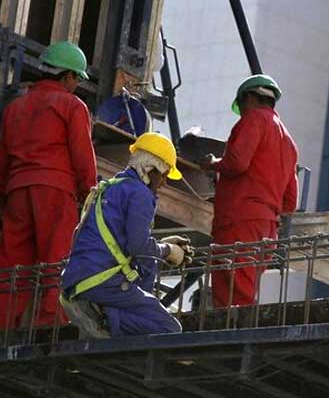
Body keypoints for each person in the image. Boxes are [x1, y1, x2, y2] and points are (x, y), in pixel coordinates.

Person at [0, 41, 97, 328]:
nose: (77, 84)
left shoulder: (15, 107)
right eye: (77, 78)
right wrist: (89, 193)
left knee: (12, 264)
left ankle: (4, 323)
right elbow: (82, 156)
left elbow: (3, 156)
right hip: (54, 191)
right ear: (67, 76)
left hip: (17, 191)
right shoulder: (72, 106)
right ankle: (49, 323)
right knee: (56, 260)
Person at [60, 132, 192, 338]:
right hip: (103, 282)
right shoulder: (140, 194)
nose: (164, 182)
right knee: (170, 330)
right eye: (164, 174)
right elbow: (139, 248)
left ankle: (101, 315)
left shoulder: (109, 188)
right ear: (149, 169)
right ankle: (102, 318)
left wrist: (157, 248)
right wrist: (167, 251)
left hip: (76, 280)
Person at [199, 74, 298, 307]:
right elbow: (290, 202)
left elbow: (237, 163)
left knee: (231, 297)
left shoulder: (254, 119)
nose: (242, 112)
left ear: (251, 98)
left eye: (242, 106)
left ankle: (230, 341)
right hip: (266, 229)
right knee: (243, 289)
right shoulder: (289, 142)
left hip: (239, 222)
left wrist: (213, 164)